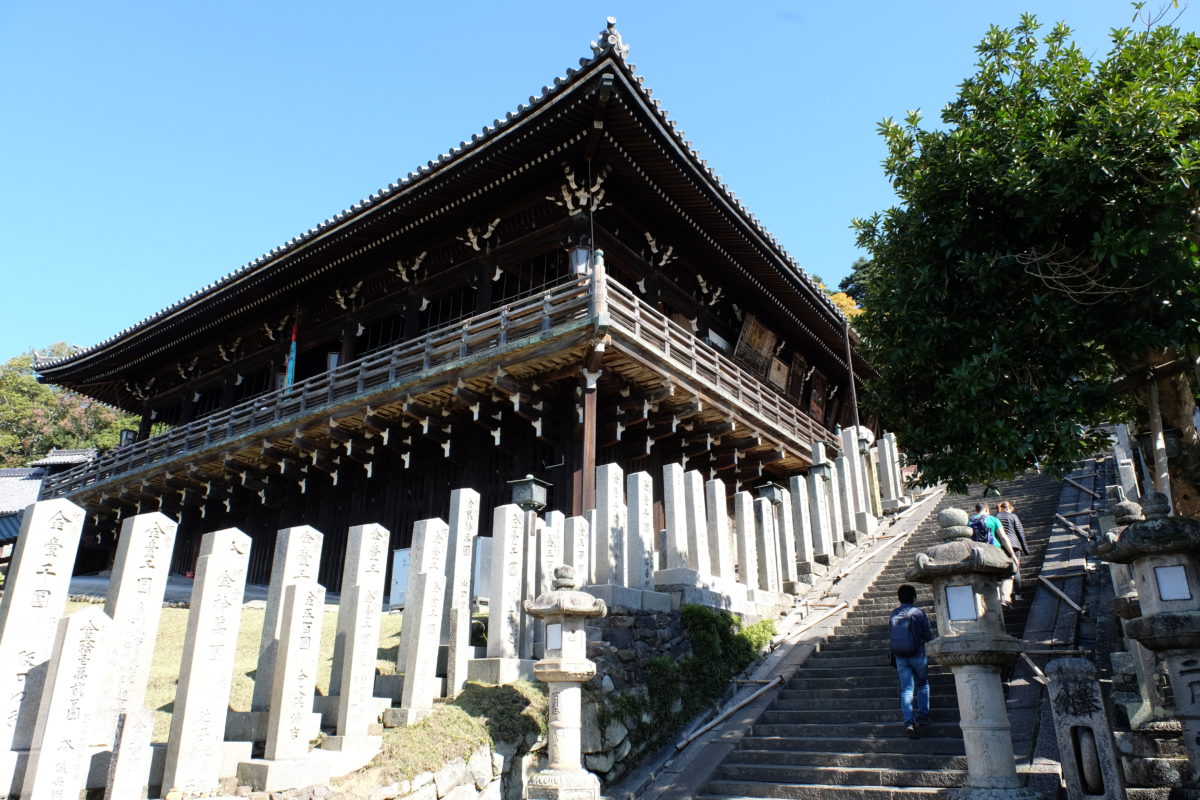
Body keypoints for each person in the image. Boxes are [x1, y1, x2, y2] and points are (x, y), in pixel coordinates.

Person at [889, 584, 935, 738]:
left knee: (906, 689)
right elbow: (927, 635)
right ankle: (923, 714)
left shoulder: (893, 614)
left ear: (899, 598)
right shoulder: (919, 613)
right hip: (918, 654)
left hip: (901, 656)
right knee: (923, 683)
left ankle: (909, 721)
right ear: (914, 597)